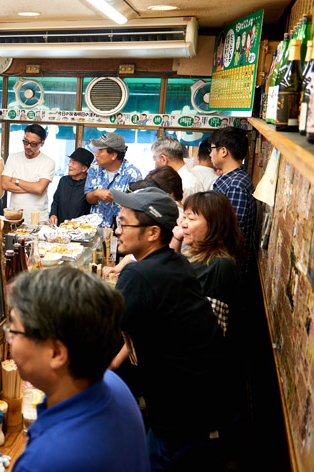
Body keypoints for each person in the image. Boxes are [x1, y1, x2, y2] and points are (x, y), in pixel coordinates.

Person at [109, 187, 237, 471]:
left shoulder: (139, 273)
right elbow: (134, 330)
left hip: (183, 412)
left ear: (153, 233)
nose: (118, 231)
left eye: (124, 224)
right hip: (205, 402)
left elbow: (103, 328)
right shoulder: (175, 261)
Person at [7, 267, 149, 472]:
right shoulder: (113, 383)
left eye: (14, 331)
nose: (10, 340)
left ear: (56, 353)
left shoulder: (43, 463)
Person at [172, 191, 245, 340]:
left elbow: (205, 332)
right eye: (184, 217)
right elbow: (170, 269)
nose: (183, 224)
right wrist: (177, 237)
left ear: (214, 224)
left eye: (191, 218)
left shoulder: (219, 266)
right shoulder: (196, 254)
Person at [207, 127, 257, 256]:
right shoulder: (232, 180)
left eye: (211, 149)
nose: (210, 154)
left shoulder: (236, 185)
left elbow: (230, 235)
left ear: (223, 151)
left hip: (226, 263)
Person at [83, 133, 142, 227]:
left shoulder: (132, 174)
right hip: (95, 229)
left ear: (113, 155)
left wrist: (118, 199)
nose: (96, 154)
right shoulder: (94, 168)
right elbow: (89, 199)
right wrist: (96, 193)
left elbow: (136, 207)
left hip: (121, 229)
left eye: (101, 150)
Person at [1, 124, 56, 223]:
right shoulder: (13, 158)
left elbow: (39, 189)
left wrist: (17, 181)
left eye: (33, 144)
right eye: (26, 142)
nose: (28, 146)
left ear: (42, 143)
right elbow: (4, 184)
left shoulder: (48, 162)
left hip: (37, 218)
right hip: (15, 216)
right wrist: (32, 187)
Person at [49, 147, 93, 226]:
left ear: (84, 168)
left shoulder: (89, 185)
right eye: (70, 161)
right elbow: (55, 202)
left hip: (79, 231)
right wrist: (53, 214)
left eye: (74, 163)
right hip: (60, 229)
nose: (69, 165)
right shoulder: (63, 180)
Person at [150, 137, 202, 202]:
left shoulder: (186, 185)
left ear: (163, 159)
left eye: (155, 160)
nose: (155, 165)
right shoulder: (189, 180)